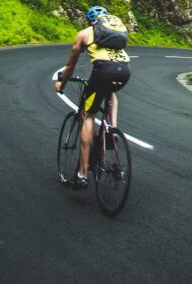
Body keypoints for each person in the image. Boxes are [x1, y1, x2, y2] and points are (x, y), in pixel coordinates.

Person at [54, 6, 130, 189]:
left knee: (88, 115)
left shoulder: (84, 34)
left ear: (89, 21)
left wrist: (61, 85)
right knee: (110, 92)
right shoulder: (115, 34)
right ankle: (112, 130)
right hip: (125, 70)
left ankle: (81, 175)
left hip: (103, 71)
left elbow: (70, 67)